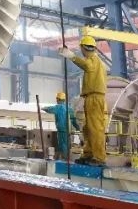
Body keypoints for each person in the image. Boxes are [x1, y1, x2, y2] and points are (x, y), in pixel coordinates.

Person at [59, 35, 107, 166]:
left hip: (95, 98)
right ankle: (89, 154)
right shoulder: (95, 60)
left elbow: (87, 66)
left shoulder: (93, 60)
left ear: (83, 48)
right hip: (91, 97)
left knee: (95, 128)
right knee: (88, 128)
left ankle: (99, 157)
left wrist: (71, 56)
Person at [43, 91, 79, 160]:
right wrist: (78, 128)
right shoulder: (69, 108)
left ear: (58, 99)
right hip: (69, 131)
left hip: (61, 130)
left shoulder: (58, 107)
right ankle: (66, 159)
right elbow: (74, 120)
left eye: (57, 99)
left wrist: (43, 108)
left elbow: (49, 109)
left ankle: (64, 160)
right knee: (68, 146)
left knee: (62, 146)